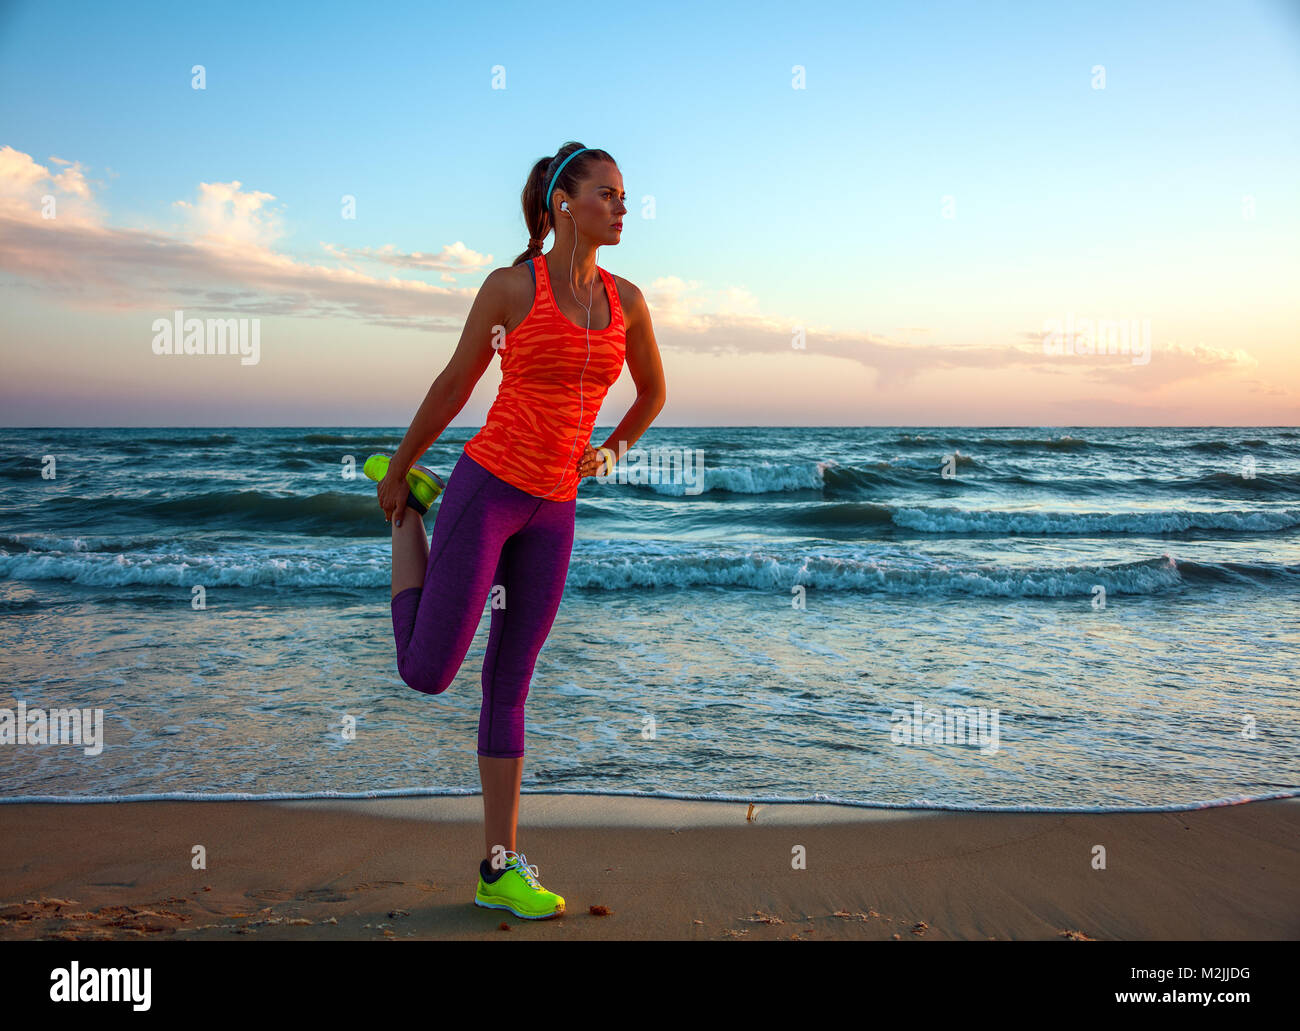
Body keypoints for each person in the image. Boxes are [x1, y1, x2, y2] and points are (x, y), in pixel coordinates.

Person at [372, 142, 666, 920]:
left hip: (554, 510)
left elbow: (653, 393)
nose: (622, 205)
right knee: (427, 674)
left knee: (511, 682)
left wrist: (610, 450)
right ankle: (410, 518)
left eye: (624, 195)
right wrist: (401, 466)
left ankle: (498, 868)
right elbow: (455, 381)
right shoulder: (512, 287)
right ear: (564, 203)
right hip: (491, 490)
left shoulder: (628, 300)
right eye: (607, 193)